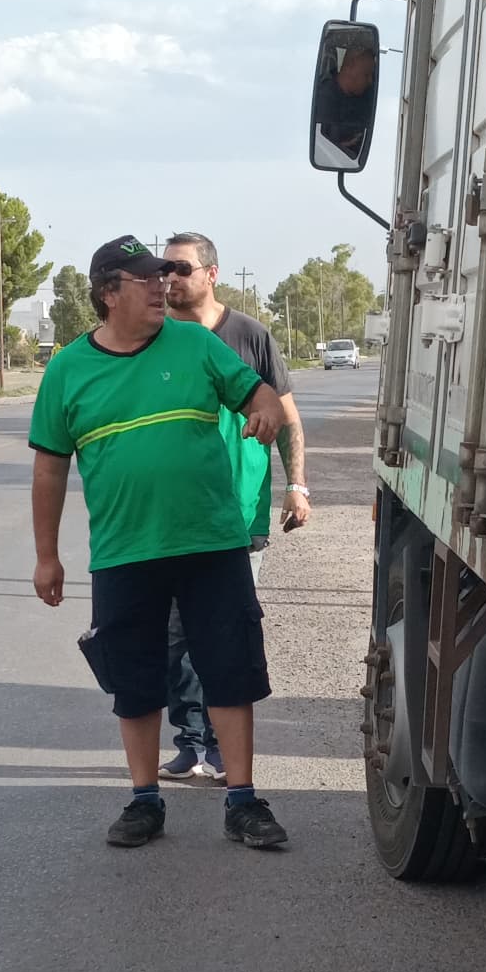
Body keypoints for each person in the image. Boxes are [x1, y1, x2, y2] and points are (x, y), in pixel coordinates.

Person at [29, 232, 290, 853]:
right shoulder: (67, 369)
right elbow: (49, 469)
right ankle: (144, 799)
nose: (161, 286)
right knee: (135, 681)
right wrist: (47, 555)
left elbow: (259, 392)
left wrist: (266, 410)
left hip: (212, 545)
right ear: (107, 293)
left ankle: (243, 799)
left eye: (166, 275)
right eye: (146, 279)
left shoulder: (194, 343)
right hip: (125, 552)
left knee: (230, 671)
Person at [157, 230, 307, 785]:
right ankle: (189, 741)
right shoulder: (156, 339)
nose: (170, 279)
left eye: (181, 268)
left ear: (211, 274)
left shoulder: (250, 336)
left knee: (224, 635)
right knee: (174, 640)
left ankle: (222, 749)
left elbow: (287, 418)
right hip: (172, 519)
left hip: (239, 516)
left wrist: (298, 486)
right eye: (164, 270)